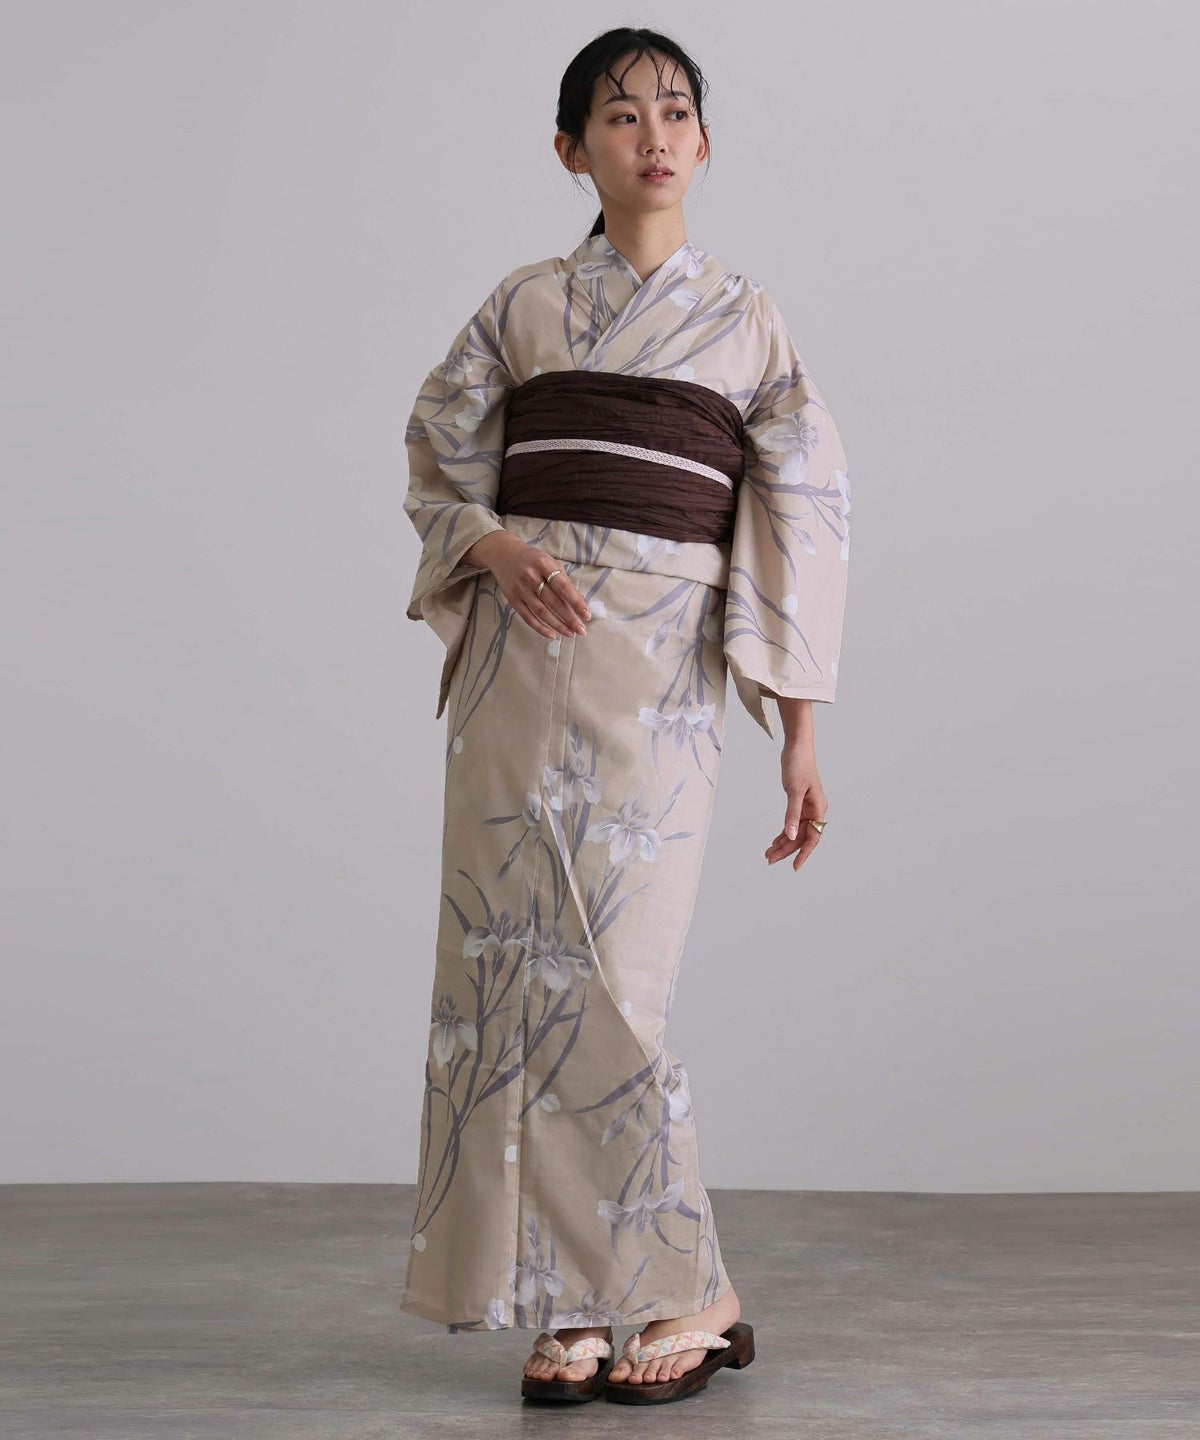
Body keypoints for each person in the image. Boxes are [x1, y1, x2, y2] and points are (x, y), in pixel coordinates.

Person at [399, 27, 851, 1406]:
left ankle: (689, 1289)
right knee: (510, 974)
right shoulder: (523, 306)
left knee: (612, 981)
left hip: (660, 675)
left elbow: (802, 514)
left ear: (702, 144)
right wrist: (490, 547)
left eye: (673, 112)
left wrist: (800, 725)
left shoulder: (748, 324)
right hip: (514, 663)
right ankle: (574, 1304)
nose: (652, 135)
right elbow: (438, 455)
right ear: (571, 149)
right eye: (619, 114)